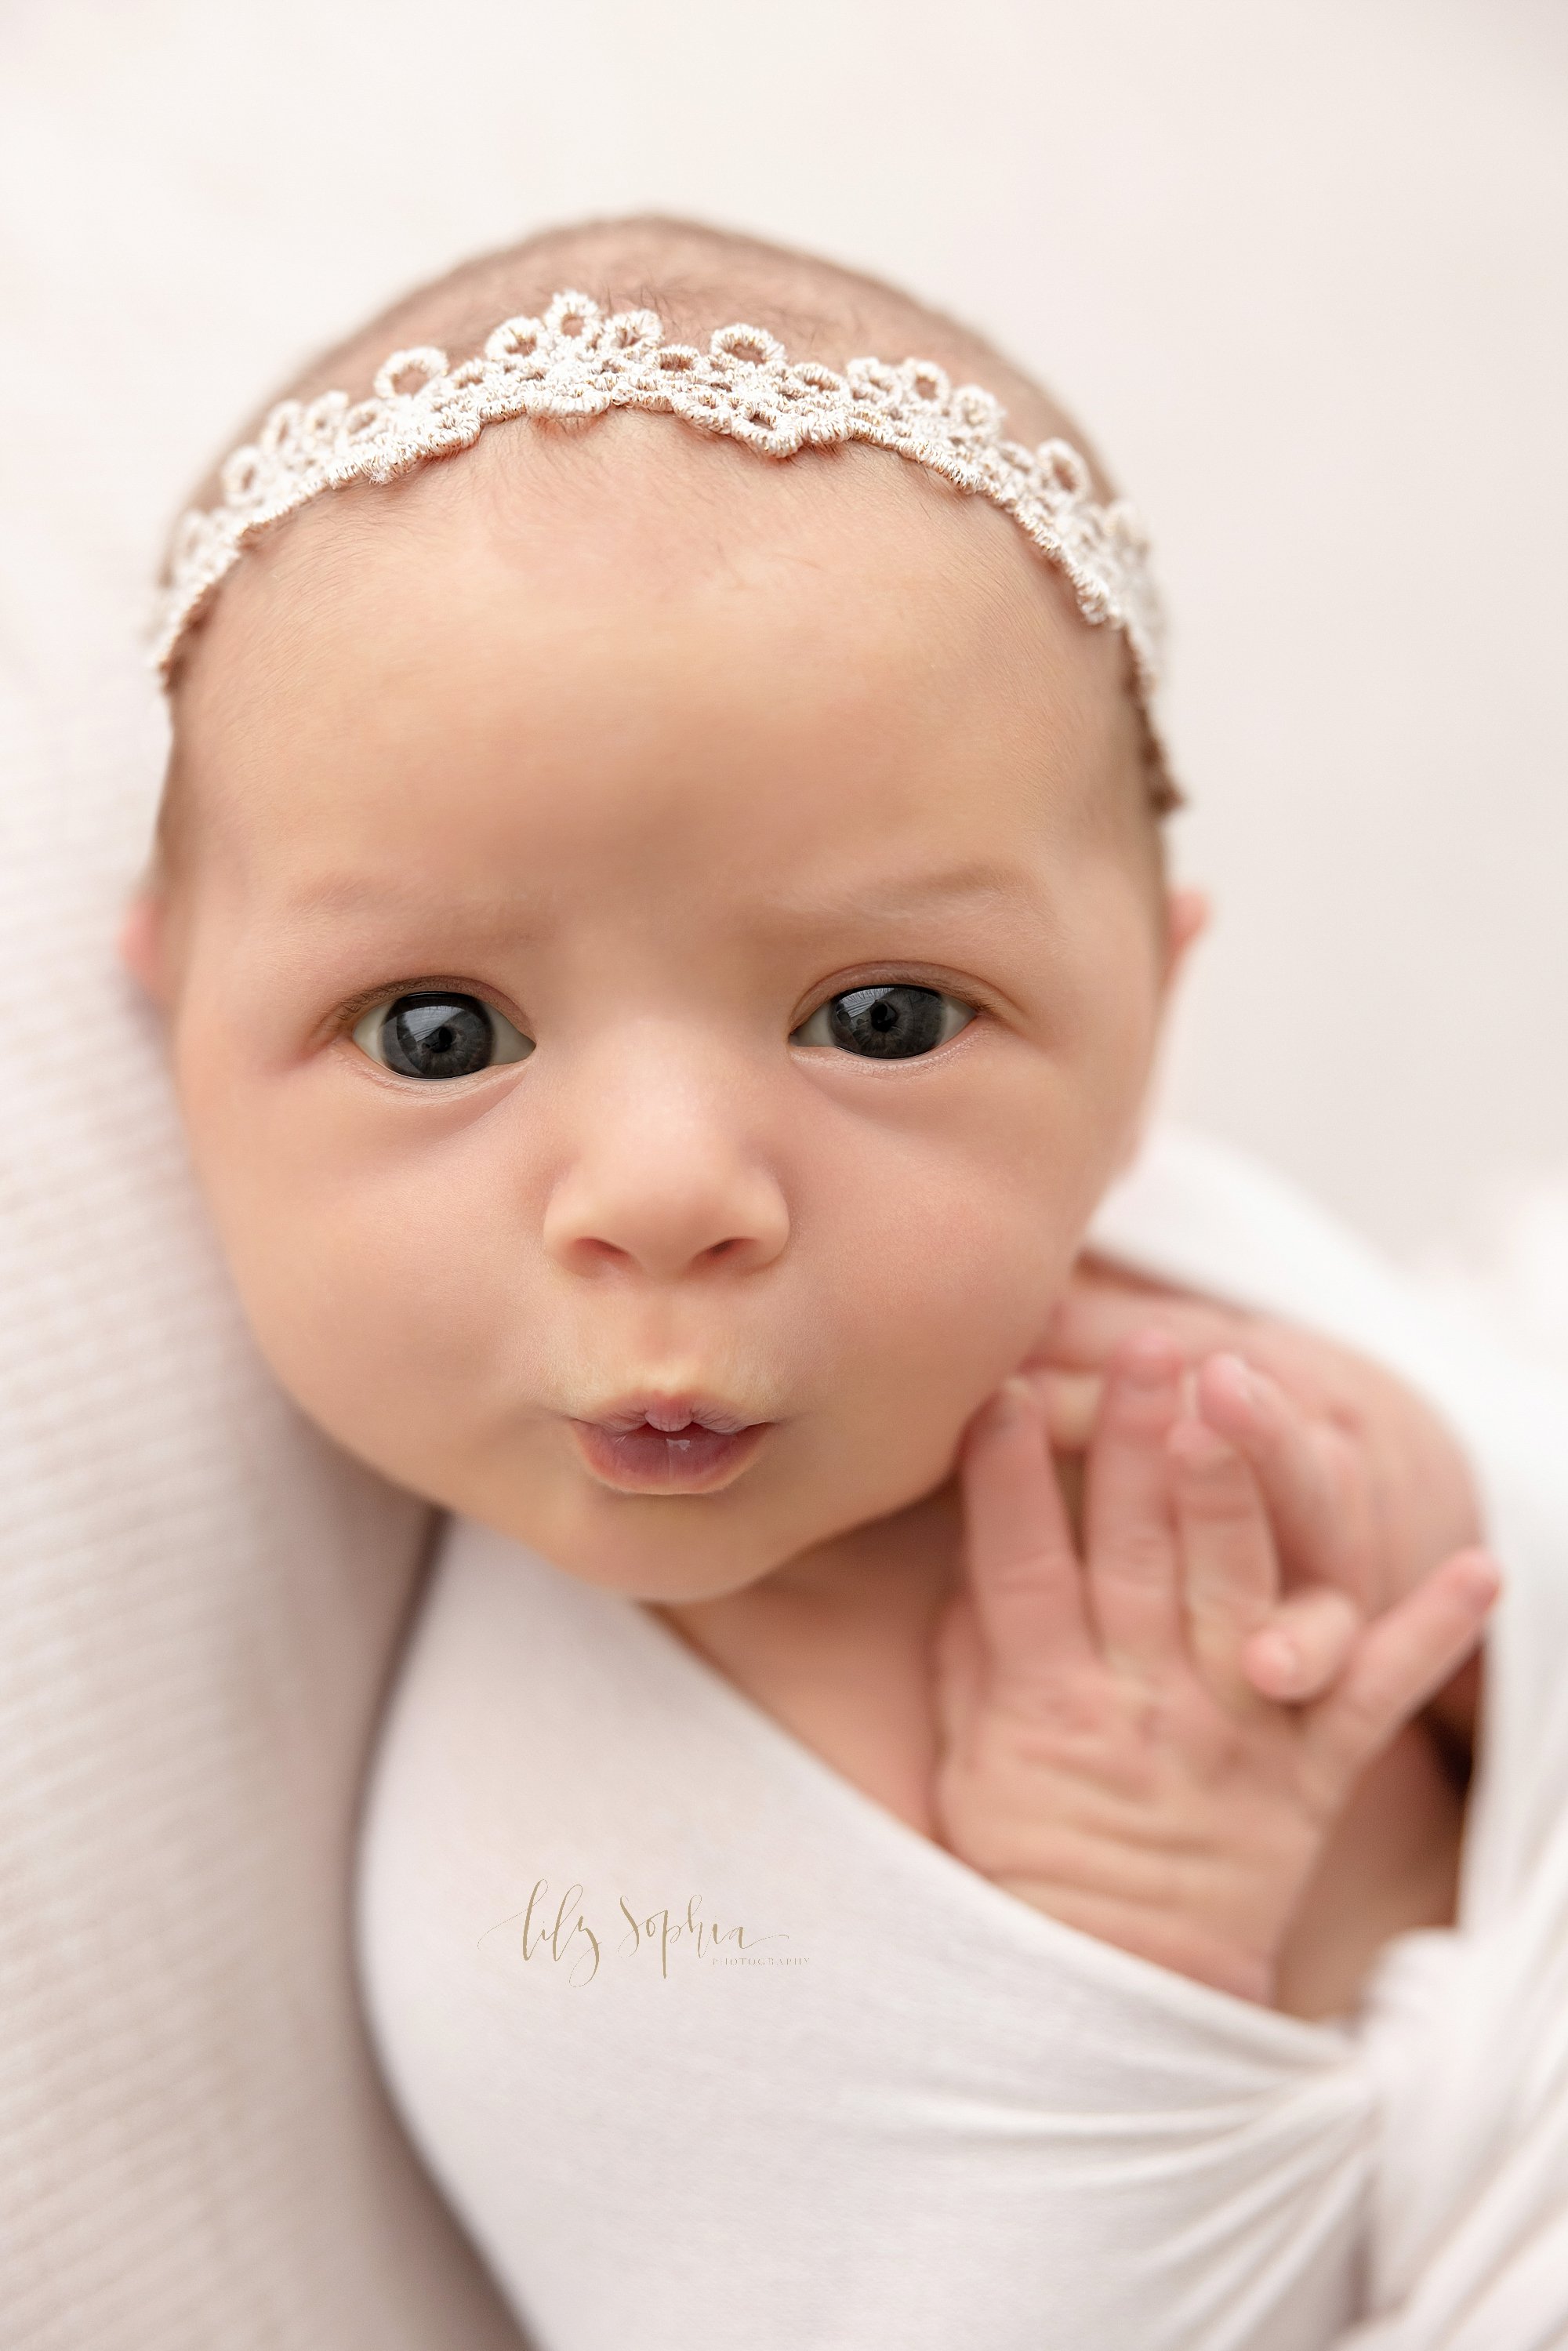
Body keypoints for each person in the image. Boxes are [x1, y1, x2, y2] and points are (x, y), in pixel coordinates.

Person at [119, 215, 1563, 2348]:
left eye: (886, 1017)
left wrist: (1450, 1525)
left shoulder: (1199, 1277)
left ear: (1148, 1021)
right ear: (173, 1019)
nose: (673, 1194)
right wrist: (1140, 1941)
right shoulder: (554, 1907)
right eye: (441, 1033)